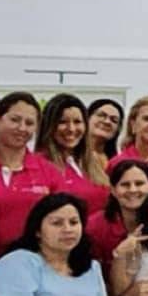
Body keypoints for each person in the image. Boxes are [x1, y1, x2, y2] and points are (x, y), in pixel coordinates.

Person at [0, 92, 57, 252]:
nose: (22, 128)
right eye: (15, 120)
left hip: (32, 261)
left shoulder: (49, 172)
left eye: (29, 123)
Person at [36, 93, 110, 223]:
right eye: (62, 122)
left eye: (77, 122)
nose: (71, 129)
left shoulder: (94, 162)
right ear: (49, 126)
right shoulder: (40, 165)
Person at [87, 157, 148, 267]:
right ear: (113, 190)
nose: (133, 190)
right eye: (125, 185)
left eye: (139, 183)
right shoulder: (94, 227)